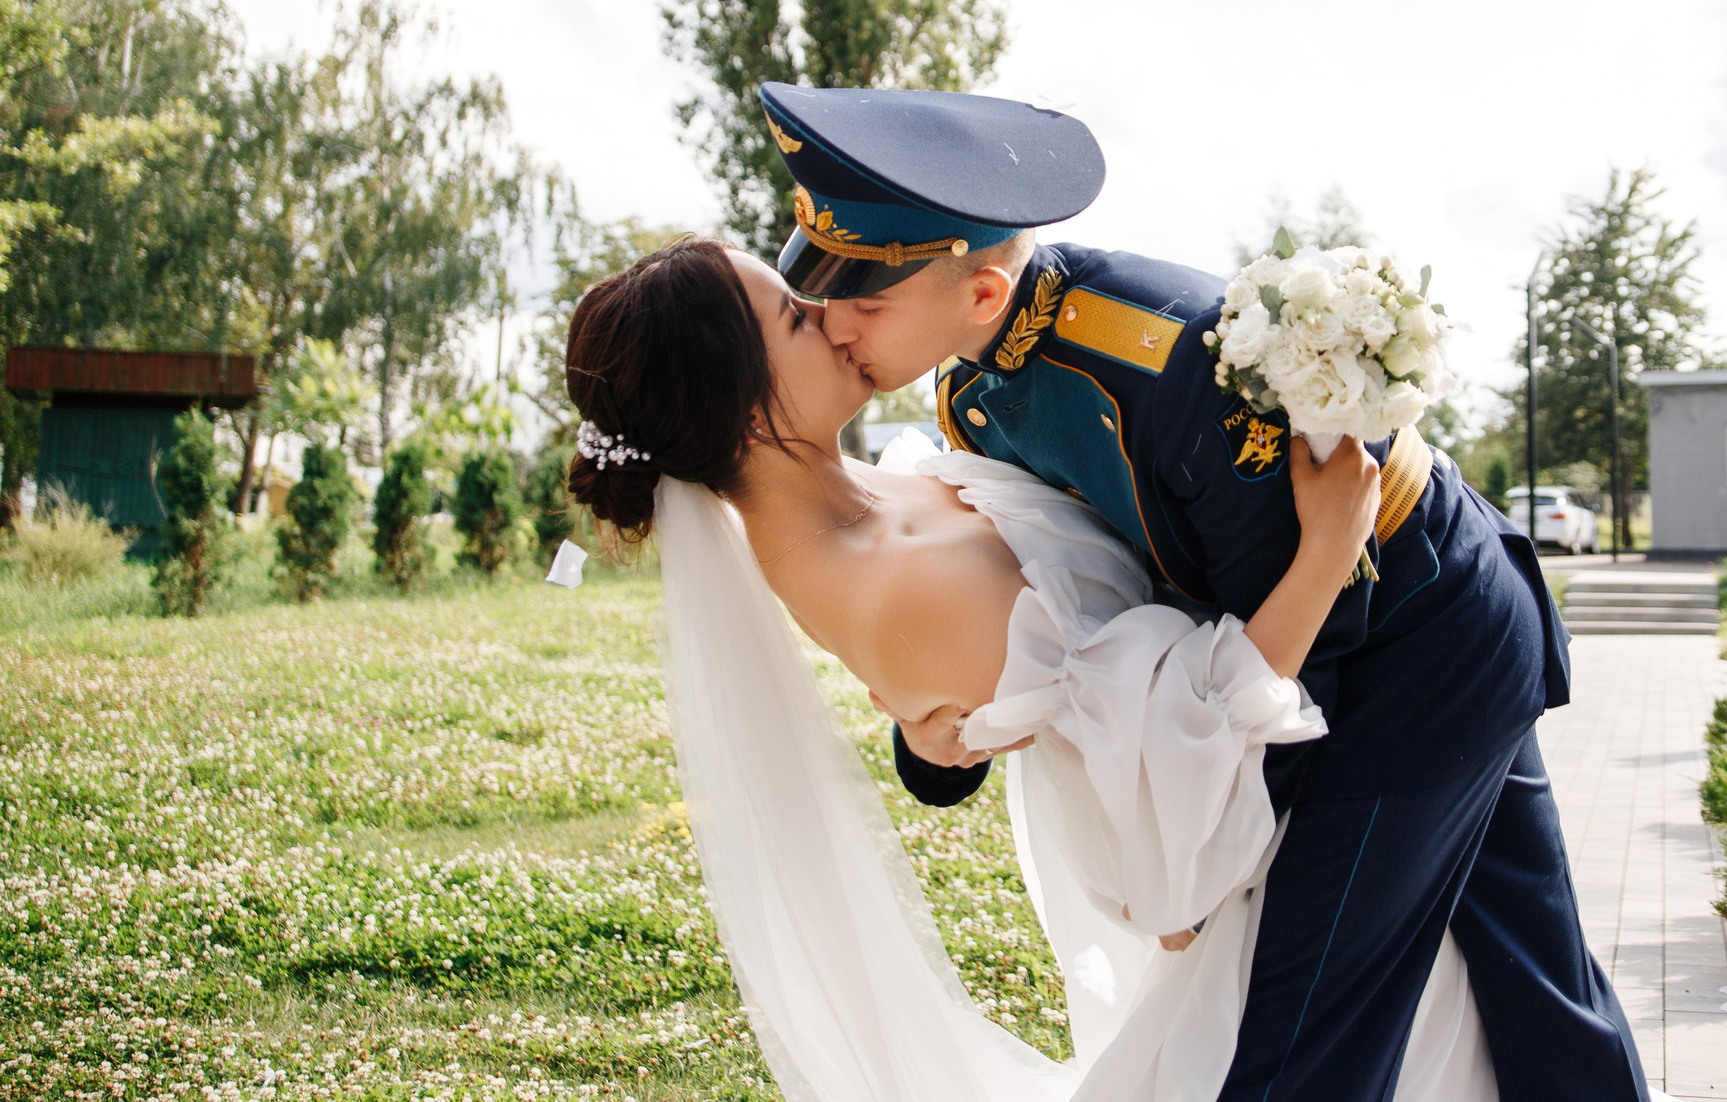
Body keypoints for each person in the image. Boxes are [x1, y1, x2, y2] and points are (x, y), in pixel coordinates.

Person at [761, 81, 1644, 1102]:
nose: (832, 326)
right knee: (1539, 982)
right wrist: (937, 740)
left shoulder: (1176, 357)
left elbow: (1313, 624)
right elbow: (1078, 586)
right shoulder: (969, 391)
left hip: (1416, 638)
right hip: (1372, 633)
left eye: (865, 303)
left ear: (980, 296)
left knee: (1305, 1026)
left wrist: (1189, 857)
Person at [565, 235, 1498, 1102]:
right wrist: (1326, 553)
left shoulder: (872, 495)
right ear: (741, 406)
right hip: (1267, 854)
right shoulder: (892, 589)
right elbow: (1188, 735)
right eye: (798, 316)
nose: (836, 311)